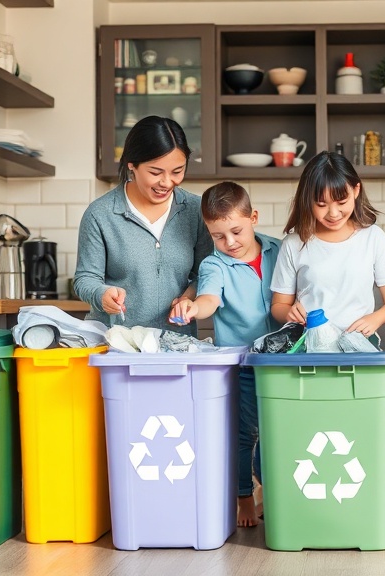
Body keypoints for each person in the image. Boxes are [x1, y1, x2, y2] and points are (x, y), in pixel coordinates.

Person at [168, 181, 280, 528]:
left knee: (278, 430)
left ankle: (273, 491)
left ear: (253, 217)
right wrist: (192, 307)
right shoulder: (214, 266)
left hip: (282, 363)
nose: (229, 242)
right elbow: (209, 300)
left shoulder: (280, 250)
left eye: (236, 231)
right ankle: (244, 498)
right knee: (245, 435)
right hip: (244, 364)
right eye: (218, 236)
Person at [74, 115, 213, 334]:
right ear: (132, 164)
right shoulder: (101, 214)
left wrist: (188, 297)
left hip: (175, 343)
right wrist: (102, 294)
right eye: (155, 172)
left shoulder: (196, 211)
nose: (167, 182)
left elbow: (206, 273)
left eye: (177, 171)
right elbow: (85, 279)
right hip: (117, 343)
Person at [270, 151, 385, 338]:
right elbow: (278, 305)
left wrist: (376, 318)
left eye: (342, 202)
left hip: (359, 341)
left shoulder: (374, 238)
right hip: (310, 343)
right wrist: (289, 314)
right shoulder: (293, 244)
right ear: (307, 200)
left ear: (356, 191)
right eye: (322, 204)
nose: (333, 213)